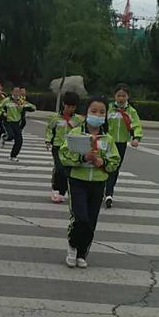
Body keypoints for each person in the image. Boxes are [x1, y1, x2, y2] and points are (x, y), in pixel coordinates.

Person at [59, 96, 121, 269]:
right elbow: (64, 155)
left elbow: (115, 161)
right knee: (80, 218)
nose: (97, 115)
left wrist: (104, 163)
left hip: (98, 183)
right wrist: (82, 157)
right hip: (78, 181)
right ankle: (72, 247)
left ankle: (82, 253)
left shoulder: (107, 139)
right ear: (86, 113)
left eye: (102, 112)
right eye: (93, 111)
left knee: (91, 220)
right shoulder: (75, 134)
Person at [105, 83, 143, 209]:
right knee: (104, 166)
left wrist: (136, 138)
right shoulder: (108, 108)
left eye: (123, 96)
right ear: (114, 96)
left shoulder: (131, 111)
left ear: (128, 97)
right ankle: (105, 190)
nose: (121, 98)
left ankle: (109, 192)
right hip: (107, 142)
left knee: (115, 168)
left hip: (121, 143)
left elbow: (136, 125)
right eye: (119, 95)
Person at [45, 92, 83, 203]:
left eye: (72, 107)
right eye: (68, 106)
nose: (70, 109)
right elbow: (49, 129)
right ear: (63, 104)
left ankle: (62, 192)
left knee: (67, 170)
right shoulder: (55, 118)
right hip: (58, 146)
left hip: (71, 148)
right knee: (60, 168)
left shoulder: (78, 120)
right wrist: (48, 140)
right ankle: (55, 189)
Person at [0, 87, 36, 161]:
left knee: (19, 140)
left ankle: (13, 156)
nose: (16, 93)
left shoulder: (21, 101)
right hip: (8, 122)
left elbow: (32, 107)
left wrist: (28, 107)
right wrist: (3, 113)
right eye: (15, 91)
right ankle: (4, 137)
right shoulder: (6, 100)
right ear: (12, 92)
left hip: (16, 122)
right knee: (11, 136)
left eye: (18, 92)